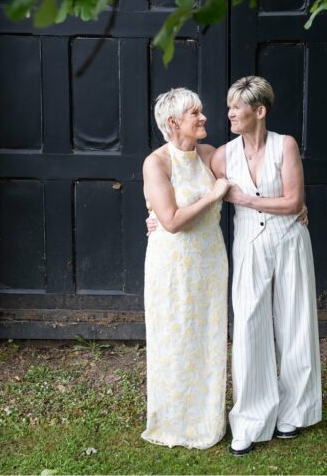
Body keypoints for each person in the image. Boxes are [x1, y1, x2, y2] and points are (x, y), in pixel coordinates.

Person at [214, 75, 322, 456]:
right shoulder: (222, 155)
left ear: (259, 111)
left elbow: (293, 202)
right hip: (249, 244)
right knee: (248, 326)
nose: (228, 113)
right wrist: (157, 214)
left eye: (236, 107)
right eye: (228, 106)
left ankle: (294, 410)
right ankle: (250, 419)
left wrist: (244, 199)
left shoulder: (284, 146)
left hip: (290, 239)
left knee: (295, 320)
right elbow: (191, 186)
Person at [140, 88, 229, 449]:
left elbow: (254, 170)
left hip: (209, 261)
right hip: (172, 265)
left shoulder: (210, 154)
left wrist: (292, 205)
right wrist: (212, 196)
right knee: (173, 338)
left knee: (207, 337)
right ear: (174, 122)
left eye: (202, 111)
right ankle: (173, 421)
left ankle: (208, 420)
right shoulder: (156, 162)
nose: (204, 117)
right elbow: (172, 221)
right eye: (196, 113)